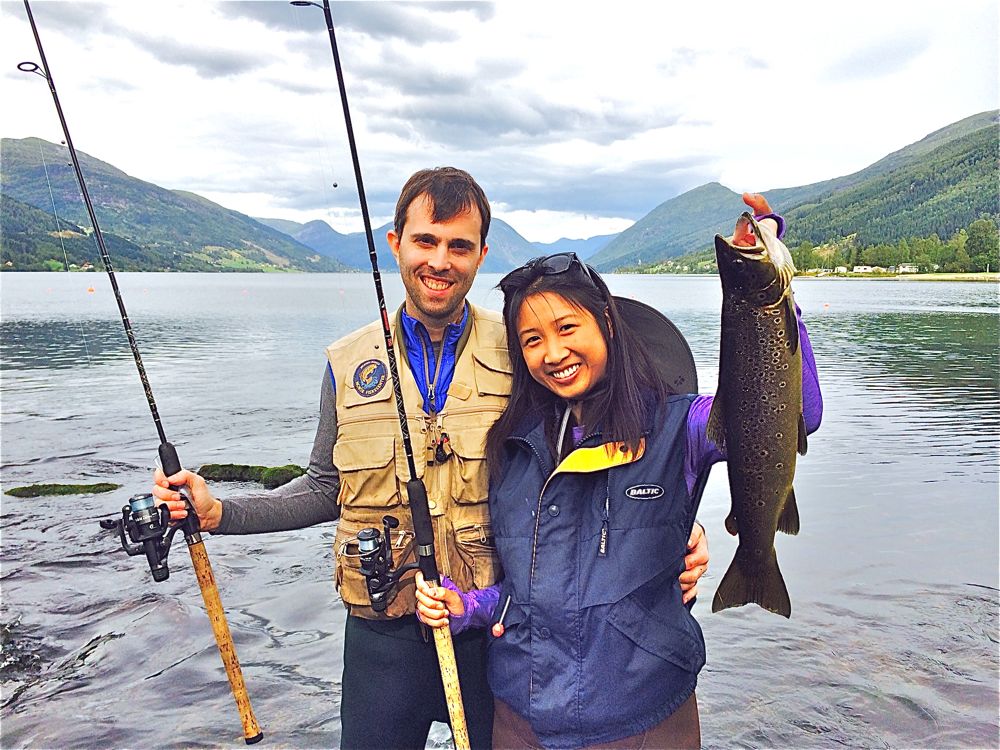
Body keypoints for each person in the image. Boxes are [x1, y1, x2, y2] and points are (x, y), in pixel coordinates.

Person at [151, 166, 710, 750]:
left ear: (480, 255)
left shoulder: (526, 346)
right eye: (426, 241)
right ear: (396, 243)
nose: (440, 261)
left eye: (459, 246)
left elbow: (604, 452)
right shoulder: (347, 362)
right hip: (379, 637)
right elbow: (323, 487)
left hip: (497, 636)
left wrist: (671, 529)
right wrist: (221, 513)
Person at [415, 210, 823, 748]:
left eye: (566, 328)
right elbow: (523, 594)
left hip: (645, 719)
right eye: (531, 339)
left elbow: (799, 414)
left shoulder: (682, 425)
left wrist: (769, 303)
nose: (552, 353)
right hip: (521, 720)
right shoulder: (512, 448)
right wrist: (468, 607)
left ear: (607, 323)